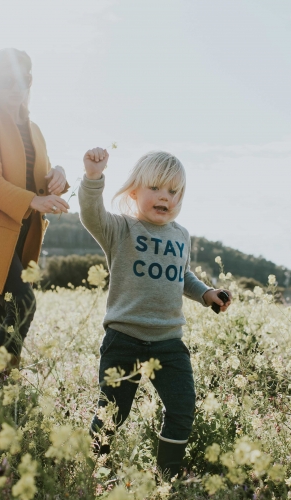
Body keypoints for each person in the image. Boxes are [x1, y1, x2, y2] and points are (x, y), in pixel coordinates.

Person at [78, 147, 232, 478]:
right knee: (113, 413)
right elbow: (91, 215)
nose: (165, 197)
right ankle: (90, 470)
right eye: (156, 189)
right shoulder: (120, 229)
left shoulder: (181, 236)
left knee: (182, 407)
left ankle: (167, 477)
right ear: (134, 191)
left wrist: (206, 293)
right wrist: (93, 179)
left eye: (173, 191)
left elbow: (182, 276)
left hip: (168, 341)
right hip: (124, 338)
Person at [0, 49, 69, 367]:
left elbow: (39, 183)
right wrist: (33, 200)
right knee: (22, 305)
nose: (16, 87)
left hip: (21, 235)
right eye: (7, 80)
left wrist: (57, 174)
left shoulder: (33, 130)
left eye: (24, 79)